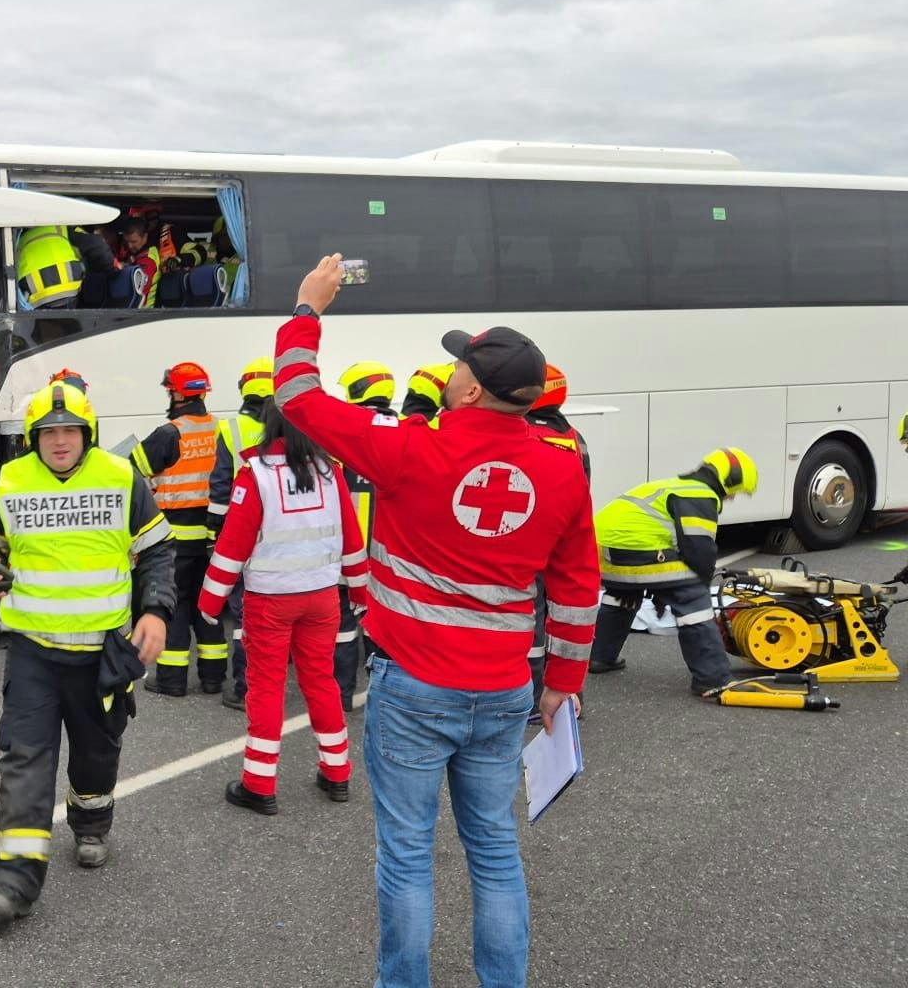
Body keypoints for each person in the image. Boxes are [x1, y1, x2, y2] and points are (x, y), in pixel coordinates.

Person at [273, 254, 601, 988]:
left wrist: (307, 309)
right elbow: (578, 583)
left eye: (457, 365)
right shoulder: (561, 466)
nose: (448, 372)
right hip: (505, 690)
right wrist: (564, 680)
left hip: (415, 688)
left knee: (407, 857)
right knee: (495, 852)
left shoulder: (409, 446)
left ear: (474, 388)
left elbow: (297, 397)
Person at [0, 382, 173, 922]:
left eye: (69, 430)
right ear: (33, 438)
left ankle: (92, 823)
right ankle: (14, 881)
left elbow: (157, 551)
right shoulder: (11, 480)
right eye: (48, 432)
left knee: (95, 753)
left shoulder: (121, 477)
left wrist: (155, 610)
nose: (59, 441)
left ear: (87, 433)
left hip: (101, 655)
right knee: (25, 761)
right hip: (33, 652)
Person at [199, 398, 368, 815]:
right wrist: (360, 590)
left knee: (267, 687)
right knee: (321, 681)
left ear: (269, 426)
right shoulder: (330, 471)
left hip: (271, 601)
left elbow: (232, 546)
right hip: (323, 596)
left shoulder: (255, 474)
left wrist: (210, 601)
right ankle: (337, 772)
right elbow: (351, 536)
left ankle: (258, 784)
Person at [587, 448, 758, 694]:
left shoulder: (670, 486)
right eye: (736, 492)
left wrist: (660, 591)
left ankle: (600, 656)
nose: (732, 498)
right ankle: (712, 679)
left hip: (600, 556)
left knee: (623, 595)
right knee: (693, 599)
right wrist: (695, 589)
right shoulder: (700, 495)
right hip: (632, 553)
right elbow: (699, 551)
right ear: (728, 481)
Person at [133, 362, 226, 695]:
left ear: (178, 395)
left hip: (176, 537)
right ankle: (214, 677)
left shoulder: (169, 433)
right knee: (209, 606)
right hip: (214, 539)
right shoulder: (221, 429)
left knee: (177, 604)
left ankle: (171, 680)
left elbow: (133, 470)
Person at [207, 355, 275, 710]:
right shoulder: (290, 426)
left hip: (241, 534)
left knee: (243, 612)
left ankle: (245, 686)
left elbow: (221, 488)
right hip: (280, 532)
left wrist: (215, 532)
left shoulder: (231, 428)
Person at [332, 361, 396, 713]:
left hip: (348, 549)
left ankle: (341, 695)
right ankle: (383, 694)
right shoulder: (407, 429)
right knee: (382, 623)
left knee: (343, 626)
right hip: (392, 550)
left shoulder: (344, 430)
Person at [524, 365, 590, 693]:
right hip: (563, 539)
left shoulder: (521, 433)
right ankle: (569, 692)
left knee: (530, 618)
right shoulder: (574, 437)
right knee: (565, 615)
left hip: (529, 541)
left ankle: (534, 692)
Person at [15, 227, 85, 311]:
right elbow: (89, 244)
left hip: (36, 292)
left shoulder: (15, 236)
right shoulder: (61, 226)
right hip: (71, 286)